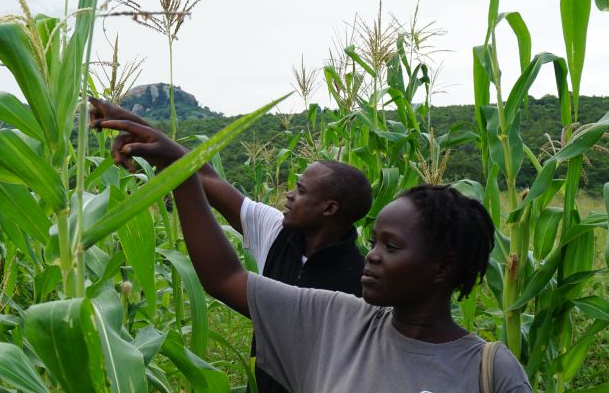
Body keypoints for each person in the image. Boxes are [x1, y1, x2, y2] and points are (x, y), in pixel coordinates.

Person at [94, 116, 532, 393]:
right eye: (375, 241)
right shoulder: (336, 318)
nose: (373, 257)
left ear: (444, 266)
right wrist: (179, 169)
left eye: (391, 247)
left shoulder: (490, 371)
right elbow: (222, 276)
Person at [90, 98, 373, 393]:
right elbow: (205, 176)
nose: (289, 195)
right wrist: (132, 124)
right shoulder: (277, 232)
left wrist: (172, 164)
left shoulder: (363, 283)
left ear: (329, 209)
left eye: (300, 190)